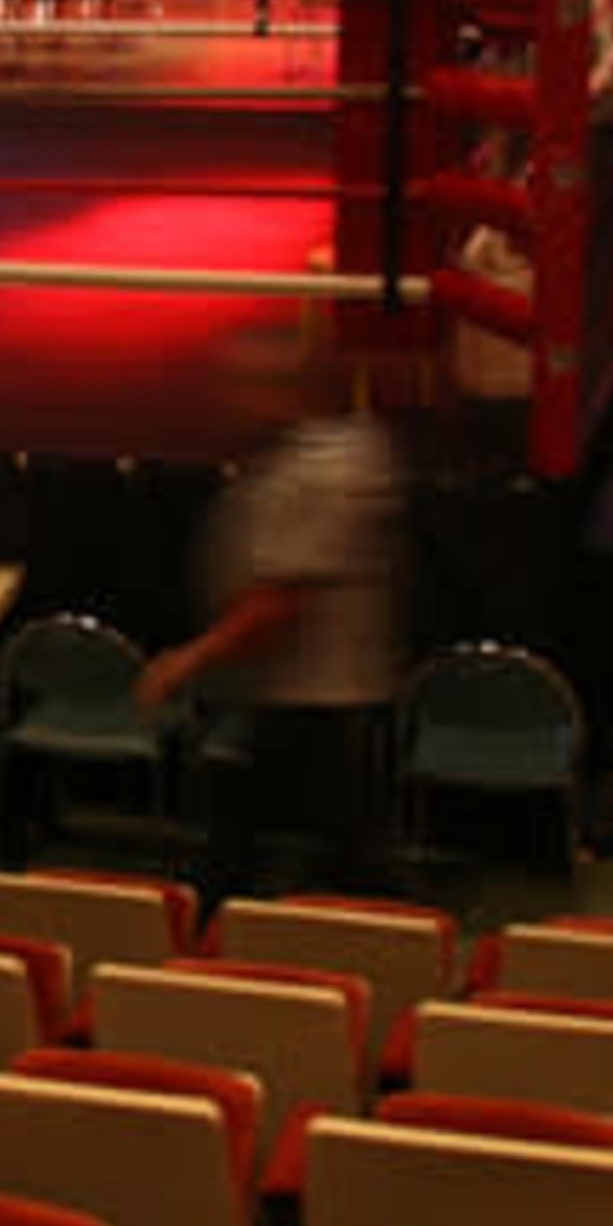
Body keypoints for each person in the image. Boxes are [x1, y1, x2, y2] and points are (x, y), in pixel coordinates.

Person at [137, 328, 406, 910]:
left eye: (244, 385)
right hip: (299, 694)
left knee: (280, 846)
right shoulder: (348, 450)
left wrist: (188, 660)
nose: (229, 398)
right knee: (301, 844)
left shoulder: (316, 473)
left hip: (313, 699)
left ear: (283, 391)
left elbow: (278, 602)